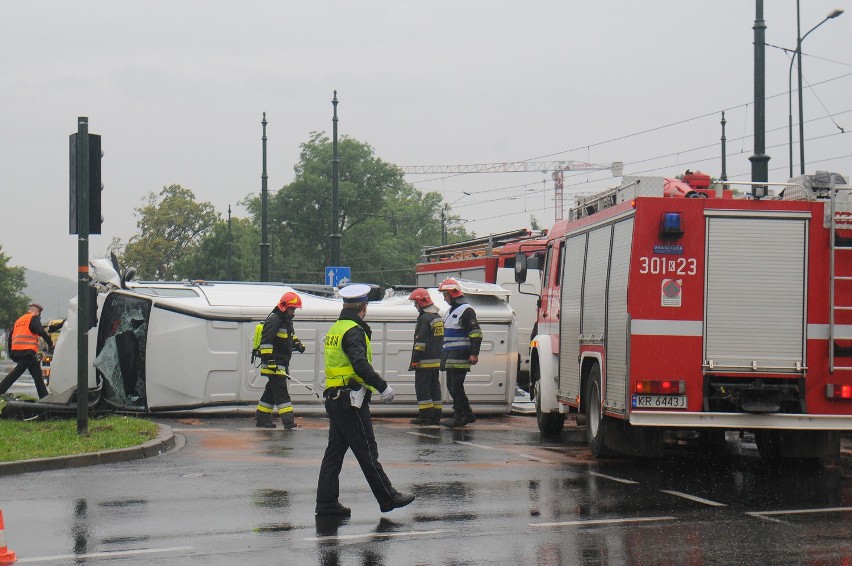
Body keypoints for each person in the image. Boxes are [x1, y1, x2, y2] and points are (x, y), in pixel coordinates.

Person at [316, 283, 415, 516]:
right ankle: (387, 497)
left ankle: (327, 503)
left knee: (334, 453)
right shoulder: (353, 330)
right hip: (350, 401)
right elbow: (359, 364)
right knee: (367, 451)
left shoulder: (336, 329)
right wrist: (383, 386)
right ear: (364, 307)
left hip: (336, 398)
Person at [255, 291, 305, 429]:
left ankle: (262, 419)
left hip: (280, 363)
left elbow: (290, 336)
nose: (293, 312)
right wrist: (270, 360)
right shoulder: (274, 319)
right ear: (284, 307)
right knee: (282, 394)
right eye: (292, 309)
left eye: (294, 309)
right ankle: (288, 422)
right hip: (273, 364)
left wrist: (297, 343)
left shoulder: (286, 321)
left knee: (270, 393)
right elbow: (266, 342)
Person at [438, 278, 483, 428]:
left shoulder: (466, 311)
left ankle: (459, 415)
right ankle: (467, 414)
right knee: (453, 386)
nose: (444, 299)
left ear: (453, 294)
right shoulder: (450, 312)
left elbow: (476, 333)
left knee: (455, 386)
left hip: (460, 356)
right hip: (450, 356)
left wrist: (474, 353)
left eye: (445, 295)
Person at [407, 288, 444, 425]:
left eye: (415, 303)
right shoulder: (437, 317)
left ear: (421, 303)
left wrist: (415, 360)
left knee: (422, 388)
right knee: (435, 388)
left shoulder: (424, 319)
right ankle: (436, 415)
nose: (415, 306)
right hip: (435, 362)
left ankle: (426, 416)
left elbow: (420, 342)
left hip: (424, 361)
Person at [0, 303, 53, 399]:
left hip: (17, 351)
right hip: (27, 351)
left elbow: (10, 337)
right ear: (37, 311)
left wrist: (11, 353)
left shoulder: (19, 320)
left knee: (37, 375)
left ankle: (44, 397)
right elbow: (40, 331)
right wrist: (50, 343)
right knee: (17, 371)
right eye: (39, 313)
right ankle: (0, 390)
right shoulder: (34, 318)